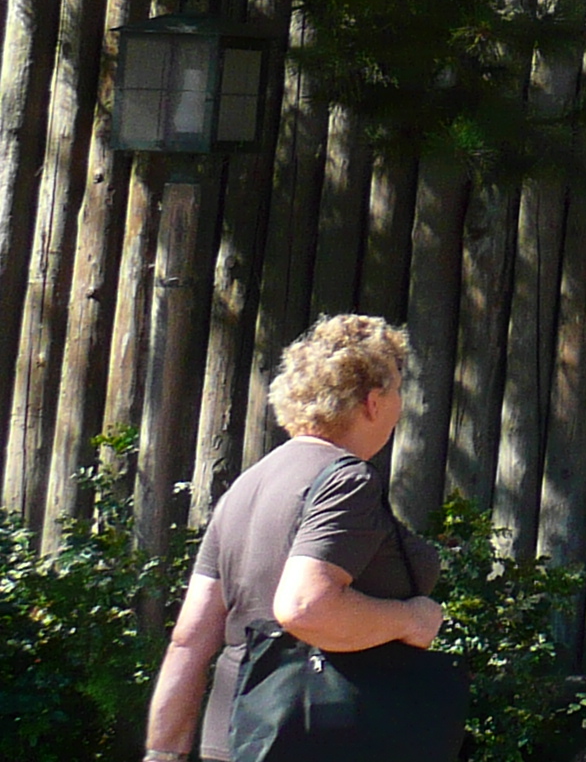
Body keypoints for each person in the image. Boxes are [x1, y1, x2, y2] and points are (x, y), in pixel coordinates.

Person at [144, 314, 464, 762]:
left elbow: (190, 639)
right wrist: (411, 619)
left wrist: (163, 752)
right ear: (372, 402)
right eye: (396, 389)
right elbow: (304, 607)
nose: (401, 402)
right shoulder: (346, 480)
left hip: (236, 738)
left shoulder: (247, 486)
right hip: (321, 736)